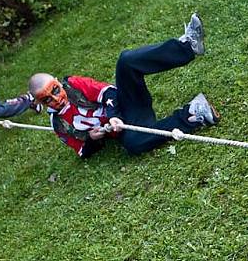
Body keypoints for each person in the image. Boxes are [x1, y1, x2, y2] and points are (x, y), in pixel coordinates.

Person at [29, 13, 219, 159]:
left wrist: (113, 117)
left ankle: (187, 46)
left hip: (129, 102)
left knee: (125, 61)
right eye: (47, 100)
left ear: (57, 82)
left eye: (55, 90)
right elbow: (82, 151)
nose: (56, 99)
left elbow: (110, 92)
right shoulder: (59, 124)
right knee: (133, 144)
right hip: (129, 127)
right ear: (41, 103)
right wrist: (92, 138)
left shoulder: (73, 85)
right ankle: (194, 113)